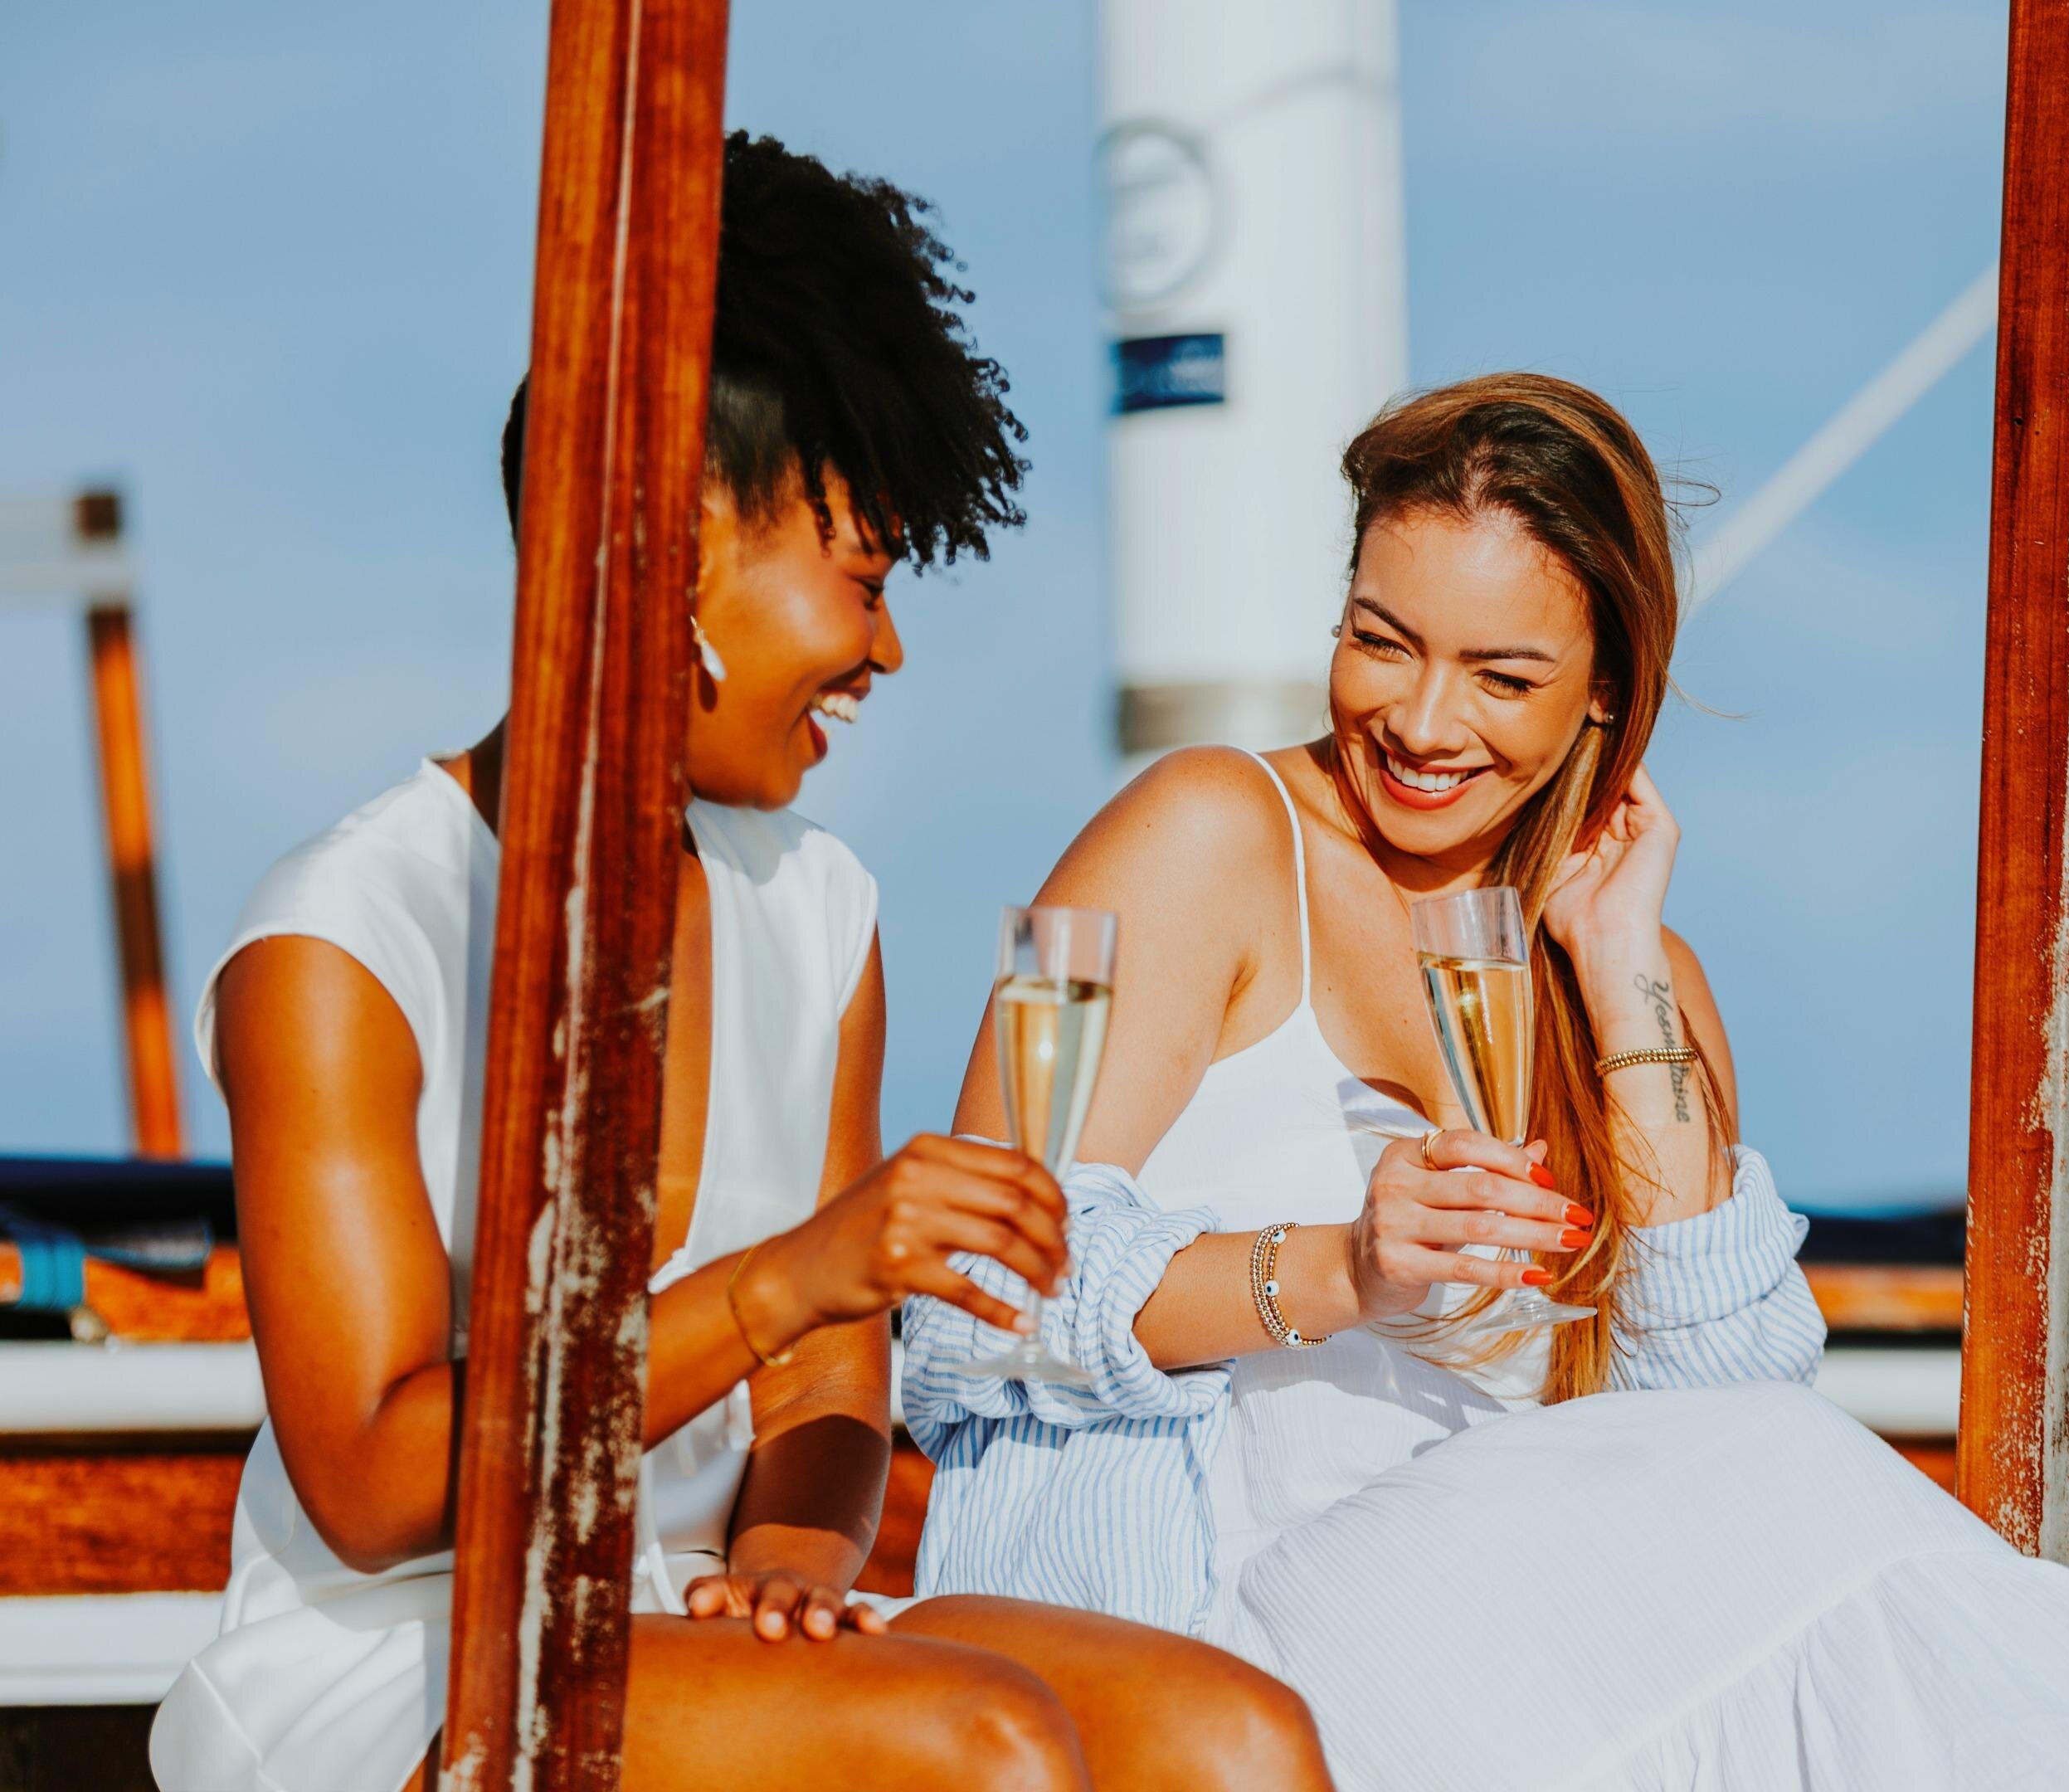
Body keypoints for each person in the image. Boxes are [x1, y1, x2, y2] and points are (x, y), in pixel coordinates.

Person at [902, 373, 2069, 1790]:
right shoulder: (1212, 831)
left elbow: (1719, 1414)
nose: (1422, 723)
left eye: (1503, 677)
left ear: (1606, 699)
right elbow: (967, 1294)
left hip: (1511, 1680)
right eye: (1382, 641)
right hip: (1202, 1649)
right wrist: (1341, 1268)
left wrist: (1620, 973)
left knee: (1811, 1523)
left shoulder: (1637, 974)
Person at [148, 134, 1329, 1792]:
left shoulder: (818, 911)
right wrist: (792, 1277)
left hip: (696, 1620)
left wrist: (792, 1559)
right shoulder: (347, 940)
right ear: (682, 541)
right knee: (978, 1750)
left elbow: (831, 1375)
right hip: (407, 1655)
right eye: (865, 579)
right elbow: (375, 1482)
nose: (887, 648)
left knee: (1234, 1736)